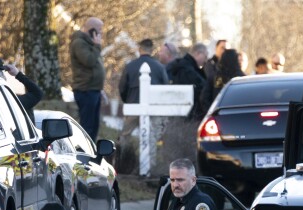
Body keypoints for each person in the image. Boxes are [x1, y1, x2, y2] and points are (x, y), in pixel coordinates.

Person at [118, 38, 169, 174]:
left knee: (125, 136)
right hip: (154, 108)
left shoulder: (130, 66)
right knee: (151, 138)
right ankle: (150, 167)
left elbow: (122, 87)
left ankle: (123, 163)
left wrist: (128, 101)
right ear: (152, 50)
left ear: (139, 49)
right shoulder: (159, 67)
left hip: (134, 105)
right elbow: (165, 88)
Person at [69, 17, 106, 142]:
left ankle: (92, 149)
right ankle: (85, 150)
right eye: (99, 30)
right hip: (85, 90)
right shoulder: (79, 43)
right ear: (92, 29)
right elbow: (89, 61)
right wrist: (97, 47)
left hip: (94, 89)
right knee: (87, 125)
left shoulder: (90, 44)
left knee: (94, 125)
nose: (101, 33)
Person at [0, 53, 43, 120]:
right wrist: (18, 74)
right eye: (2, 74)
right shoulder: (13, 102)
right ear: (3, 79)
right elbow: (37, 93)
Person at [168, 43, 209, 121]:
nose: (205, 59)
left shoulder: (187, 66)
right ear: (198, 54)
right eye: (205, 56)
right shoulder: (187, 69)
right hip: (187, 114)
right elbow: (201, 86)